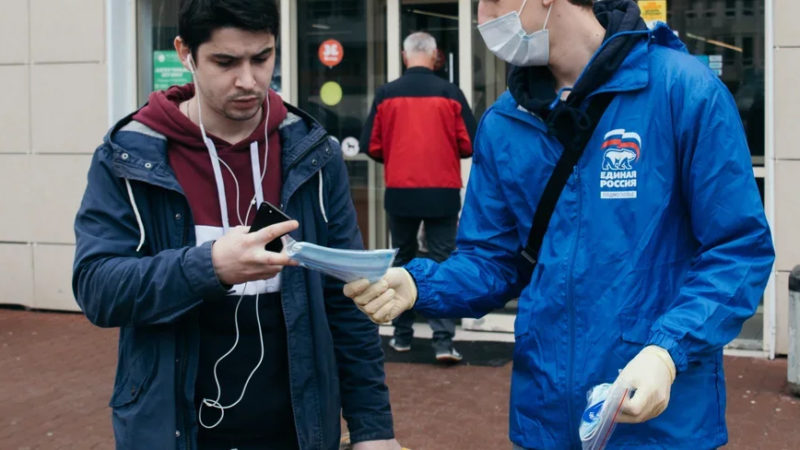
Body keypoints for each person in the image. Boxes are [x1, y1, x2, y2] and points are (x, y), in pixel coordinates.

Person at [344, 0, 774, 448]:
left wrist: (667, 352)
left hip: (659, 421)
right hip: (547, 417)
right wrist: (419, 285)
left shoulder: (682, 91)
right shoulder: (505, 122)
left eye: (491, 1)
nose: (481, 18)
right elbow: (493, 261)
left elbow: (738, 249)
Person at [72, 1, 401, 449]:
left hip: (298, 429)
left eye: (262, 58)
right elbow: (98, 289)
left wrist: (372, 430)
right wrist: (210, 267)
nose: (249, 81)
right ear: (186, 53)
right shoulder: (129, 156)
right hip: (171, 430)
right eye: (226, 62)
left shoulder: (311, 152)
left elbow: (346, 298)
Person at [359, 31, 477, 363]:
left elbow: (372, 145)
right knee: (442, 260)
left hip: (400, 191)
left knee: (402, 259)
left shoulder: (386, 94)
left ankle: (401, 335)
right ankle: (442, 341)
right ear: (436, 55)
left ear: (403, 54)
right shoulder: (450, 93)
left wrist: (398, 156)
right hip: (442, 191)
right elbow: (468, 144)